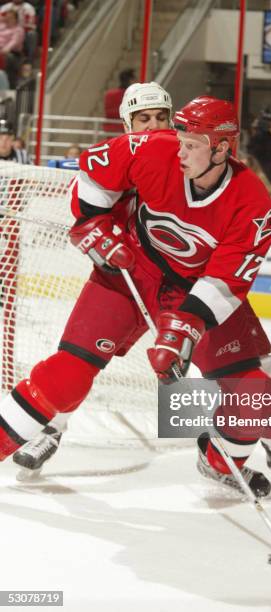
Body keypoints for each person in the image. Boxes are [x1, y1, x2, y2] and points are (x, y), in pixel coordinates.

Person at [3, 95, 271, 494]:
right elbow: (94, 171)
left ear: (222, 149)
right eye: (179, 137)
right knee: (69, 373)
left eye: (191, 144)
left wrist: (185, 330)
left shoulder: (252, 204)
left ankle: (223, 460)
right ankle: (40, 432)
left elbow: (227, 280)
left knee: (257, 392)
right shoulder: (157, 148)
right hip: (131, 272)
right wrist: (91, 224)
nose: (179, 149)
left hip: (194, 293)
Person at [12, 80, 174, 471]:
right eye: (143, 119)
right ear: (127, 125)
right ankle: (52, 427)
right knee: (78, 360)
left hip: (177, 285)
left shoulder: (190, 160)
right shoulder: (117, 159)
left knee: (232, 364)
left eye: (160, 117)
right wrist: (100, 241)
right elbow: (87, 219)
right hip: (122, 280)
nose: (152, 126)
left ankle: (260, 445)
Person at [103, 68, 135, 133]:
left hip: (109, 128)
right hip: (124, 129)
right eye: (134, 80)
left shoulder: (109, 94)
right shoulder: (131, 95)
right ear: (130, 80)